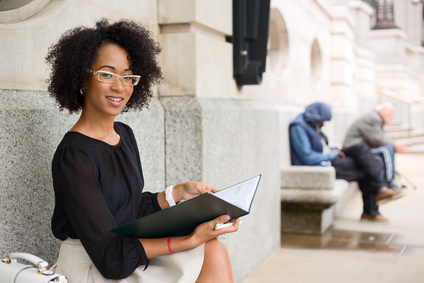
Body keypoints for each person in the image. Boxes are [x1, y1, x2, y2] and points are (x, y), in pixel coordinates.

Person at [45, 19, 239, 282]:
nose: (120, 86)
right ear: (82, 79)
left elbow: (125, 209)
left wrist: (176, 194)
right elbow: (109, 256)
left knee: (213, 248)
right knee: (201, 248)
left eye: (128, 76)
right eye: (107, 74)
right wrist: (190, 239)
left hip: (127, 252)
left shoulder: (123, 134)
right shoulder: (74, 155)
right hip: (93, 266)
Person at [342, 102, 405, 222]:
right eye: (390, 114)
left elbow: (377, 139)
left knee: (372, 169)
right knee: (384, 152)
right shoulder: (372, 118)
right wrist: (395, 145)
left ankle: (370, 212)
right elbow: (377, 139)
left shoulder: (376, 119)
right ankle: (386, 185)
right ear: (382, 111)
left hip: (361, 149)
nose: (392, 117)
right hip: (354, 148)